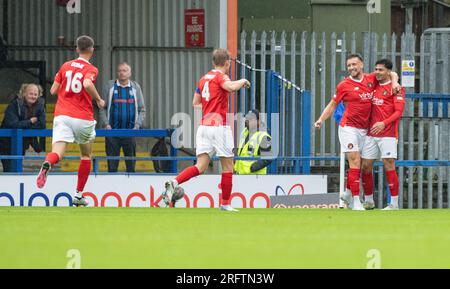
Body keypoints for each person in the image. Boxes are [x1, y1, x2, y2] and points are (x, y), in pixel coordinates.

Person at [162, 48, 250, 211]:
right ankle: (225, 204)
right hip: (219, 127)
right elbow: (230, 87)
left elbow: (195, 103)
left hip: (203, 127)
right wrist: (243, 80)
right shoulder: (221, 76)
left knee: (201, 166)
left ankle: (174, 182)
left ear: (213, 62)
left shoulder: (203, 79)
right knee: (228, 167)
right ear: (227, 63)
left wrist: (209, 108)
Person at [314, 53, 399, 210]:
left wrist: (394, 82)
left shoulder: (371, 78)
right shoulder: (343, 85)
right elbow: (333, 105)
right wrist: (320, 119)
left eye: (354, 64)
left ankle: (347, 192)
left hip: (365, 130)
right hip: (348, 127)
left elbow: (391, 72)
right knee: (355, 161)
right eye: (349, 66)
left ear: (361, 65)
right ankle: (355, 202)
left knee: (361, 164)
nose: (351, 68)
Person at [36, 35, 105, 207]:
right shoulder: (92, 69)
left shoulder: (65, 66)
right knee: (86, 155)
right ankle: (78, 195)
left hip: (62, 115)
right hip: (82, 116)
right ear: (92, 50)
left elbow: (52, 90)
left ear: (76, 49)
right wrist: (98, 99)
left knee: (57, 153)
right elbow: (88, 84)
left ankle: (47, 163)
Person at [360, 59, 405, 210]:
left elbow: (398, 112)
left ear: (387, 72)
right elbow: (393, 73)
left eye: (381, 70)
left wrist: (383, 123)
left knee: (388, 164)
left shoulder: (396, 89)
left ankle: (394, 203)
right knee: (365, 166)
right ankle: (369, 201)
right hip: (371, 133)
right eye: (376, 69)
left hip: (388, 133)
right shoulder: (373, 84)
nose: (377, 72)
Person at [99, 62, 146, 173]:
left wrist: (137, 125)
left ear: (130, 73)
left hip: (130, 133)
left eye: (125, 70)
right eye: (120, 70)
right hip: (112, 133)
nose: (122, 73)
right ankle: (111, 189)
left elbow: (142, 109)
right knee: (112, 166)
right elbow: (102, 108)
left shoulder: (135, 88)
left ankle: (131, 187)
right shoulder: (110, 86)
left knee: (131, 167)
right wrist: (106, 124)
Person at [0, 83, 46, 172]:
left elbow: (42, 125)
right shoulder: (14, 105)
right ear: (24, 93)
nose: (33, 96)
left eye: (35, 94)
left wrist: (23, 125)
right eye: (31, 94)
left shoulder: (40, 106)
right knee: (9, 170)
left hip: (22, 144)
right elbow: (13, 124)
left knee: (17, 171)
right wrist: (30, 122)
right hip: (6, 144)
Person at [234, 109, 272, 175]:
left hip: (255, 177)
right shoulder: (245, 132)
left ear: (258, 121)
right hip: (240, 175)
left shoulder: (263, 136)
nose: (247, 121)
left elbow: (268, 158)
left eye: (250, 119)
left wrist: (252, 168)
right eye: (246, 118)